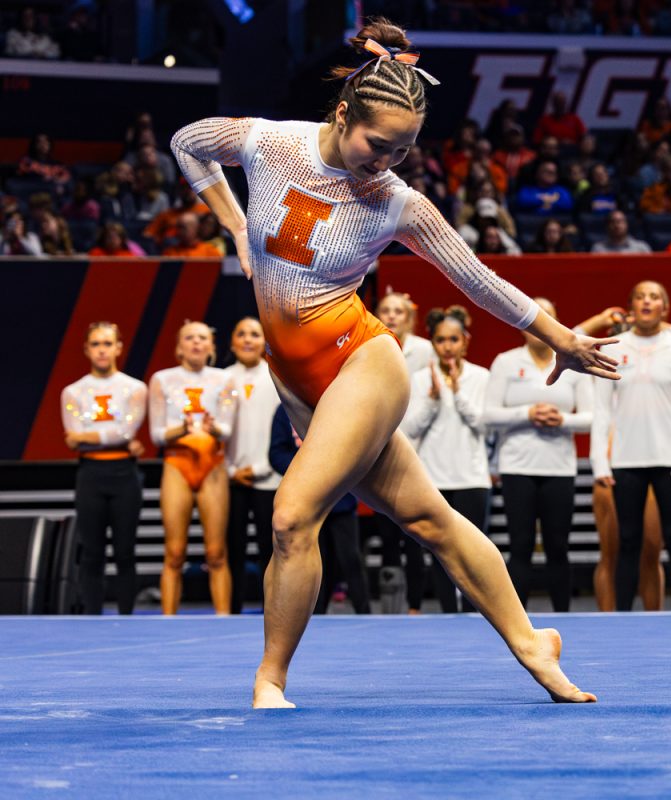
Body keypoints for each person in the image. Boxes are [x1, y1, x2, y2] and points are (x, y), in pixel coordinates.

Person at [172, 20, 615, 705]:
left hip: (361, 364)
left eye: (404, 151)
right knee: (430, 519)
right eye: (378, 145)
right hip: (300, 386)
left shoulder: (397, 203)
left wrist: (558, 336)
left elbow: (476, 279)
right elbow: (188, 143)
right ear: (343, 112)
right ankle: (534, 643)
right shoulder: (269, 143)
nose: (387, 162)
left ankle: (270, 680)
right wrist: (230, 220)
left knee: (292, 516)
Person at [591, 280, 671, 611]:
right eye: (640, 296)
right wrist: (600, 461)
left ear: (665, 308)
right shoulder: (612, 347)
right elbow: (601, 410)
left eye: (655, 296)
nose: (647, 301)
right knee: (627, 541)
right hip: (627, 459)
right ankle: (623, 619)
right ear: (631, 307)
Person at [485, 298, 593, 612]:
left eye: (549, 316)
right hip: (517, 466)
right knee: (520, 547)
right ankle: (516, 623)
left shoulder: (573, 362)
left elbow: (590, 418)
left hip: (559, 468)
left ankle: (564, 616)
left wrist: (563, 420)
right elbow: (488, 415)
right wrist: (526, 413)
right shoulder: (506, 362)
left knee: (558, 547)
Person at [400, 305, 493, 613]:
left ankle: (471, 611)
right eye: (441, 340)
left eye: (454, 340)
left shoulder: (481, 377)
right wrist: (432, 399)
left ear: (465, 341)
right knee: (441, 551)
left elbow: (485, 425)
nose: (448, 347)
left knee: (471, 553)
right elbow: (409, 429)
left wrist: (458, 393)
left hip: (471, 477)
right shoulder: (417, 378)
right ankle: (446, 613)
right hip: (433, 479)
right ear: (433, 342)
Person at [149, 321, 237, 614]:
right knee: (174, 553)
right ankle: (167, 619)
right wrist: (181, 429)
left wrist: (212, 429)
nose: (196, 343)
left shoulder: (224, 379)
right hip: (177, 462)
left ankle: (223, 618)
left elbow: (226, 429)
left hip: (212, 463)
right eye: (189, 338)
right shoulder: (162, 379)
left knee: (216, 552)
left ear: (211, 347)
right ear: (179, 347)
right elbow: (157, 435)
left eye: (202, 338)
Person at [61, 322, 147, 614]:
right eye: (96, 344)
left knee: (125, 550)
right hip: (91, 476)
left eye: (108, 343)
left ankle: (126, 616)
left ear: (119, 348)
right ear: (86, 349)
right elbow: (74, 440)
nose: (102, 350)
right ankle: (91, 616)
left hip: (125, 475)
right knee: (92, 552)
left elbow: (126, 431)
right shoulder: (72, 392)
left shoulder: (135, 388)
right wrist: (115, 438)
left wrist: (88, 436)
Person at [268, 406, 371, 614]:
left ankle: (364, 610)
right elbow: (276, 453)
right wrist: (307, 469)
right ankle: (315, 613)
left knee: (350, 558)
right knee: (313, 560)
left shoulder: (340, 407)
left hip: (340, 499)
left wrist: (330, 472)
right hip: (306, 502)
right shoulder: (285, 411)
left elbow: (355, 447)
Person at [373, 290, 435, 611]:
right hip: (380, 446)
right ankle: (390, 606)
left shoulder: (425, 350)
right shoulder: (368, 343)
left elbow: (431, 398)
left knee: (415, 536)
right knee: (388, 538)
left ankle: (414, 605)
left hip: (419, 448)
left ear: (409, 317)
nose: (393, 315)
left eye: (399, 311)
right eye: (386, 309)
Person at [224, 318, 283, 614]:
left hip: (269, 478)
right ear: (232, 342)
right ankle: (231, 608)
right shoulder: (221, 379)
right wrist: (230, 470)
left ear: (264, 341)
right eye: (241, 333)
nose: (248, 339)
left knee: (268, 549)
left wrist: (259, 468)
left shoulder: (276, 377)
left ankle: (269, 610)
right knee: (232, 549)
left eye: (255, 334)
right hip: (231, 479)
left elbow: (282, 431)